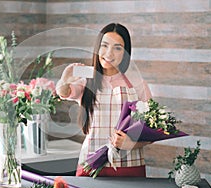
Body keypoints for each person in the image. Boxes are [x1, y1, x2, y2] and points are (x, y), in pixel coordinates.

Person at [56, 23, 152, 177]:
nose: (109, 53)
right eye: (104, 45)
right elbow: (64, 92)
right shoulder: (88, 81)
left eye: (117, 48)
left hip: (130, 165)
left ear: (126, 53)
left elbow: (152, 129)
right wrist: (64, 79)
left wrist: (132, 144)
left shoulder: (138, 84)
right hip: (91, 165)